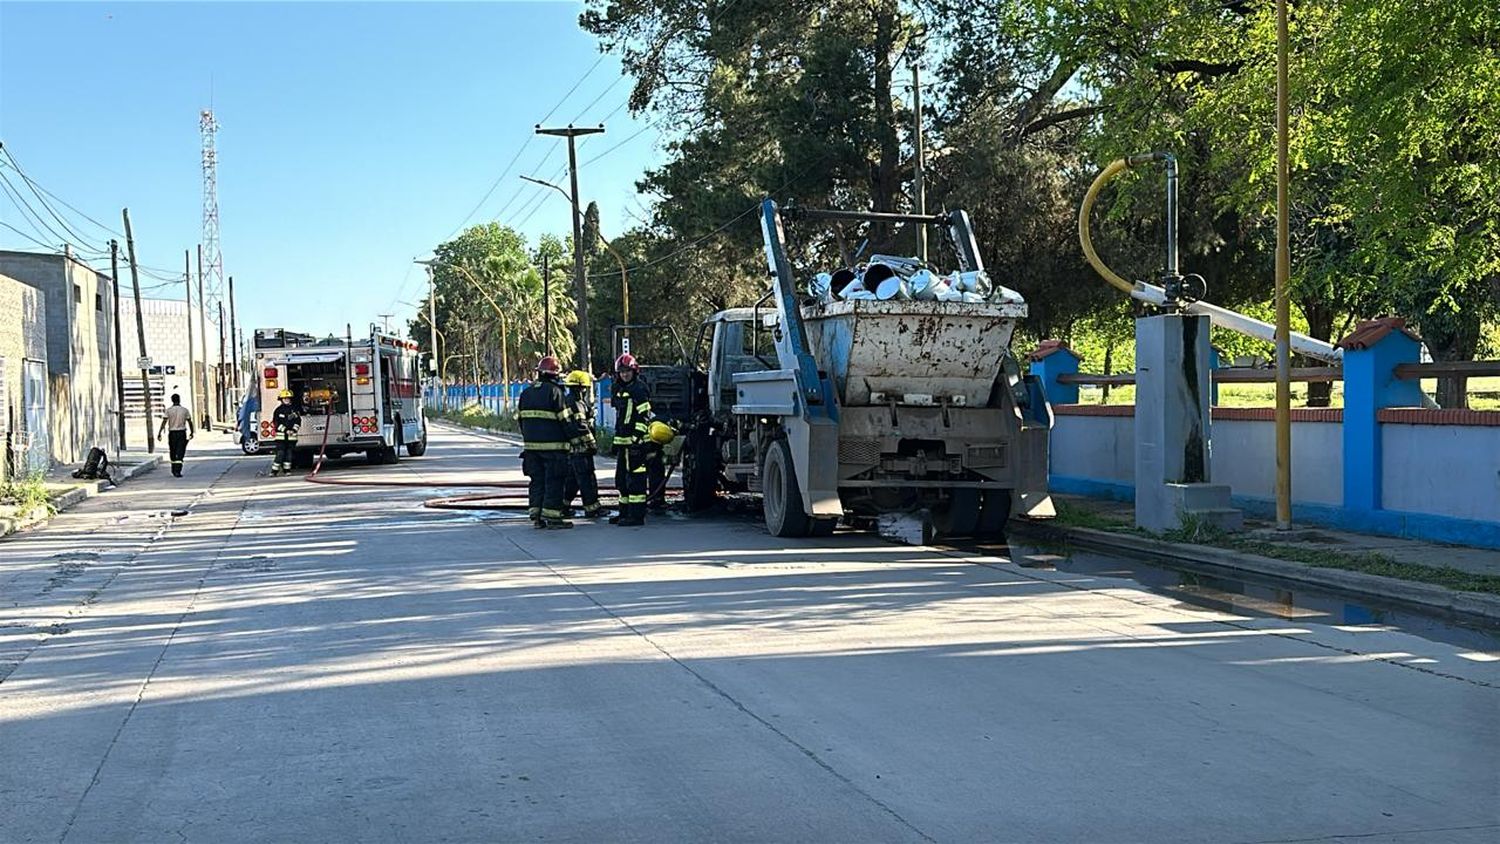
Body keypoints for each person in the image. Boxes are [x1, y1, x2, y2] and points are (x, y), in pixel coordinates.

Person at [518, 355, 587, 530]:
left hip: (531, 449)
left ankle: (536, 516)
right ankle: (553, 518)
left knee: (537, 481)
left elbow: (521, 421)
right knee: (554, 481)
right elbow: (566, 420)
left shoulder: (526, 393)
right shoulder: (556, 392)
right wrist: (576, 440)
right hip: (554, 449)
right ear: (555, 375)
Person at [610, 352, 654, 526]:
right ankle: (624, 513)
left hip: (636, 445)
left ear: (634, 371)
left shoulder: (639, 389)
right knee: (621, 480)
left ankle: (636, 516)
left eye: (627, 371)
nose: (624, 374)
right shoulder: (619, 390)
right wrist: (616, 442)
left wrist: (636, 439)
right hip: (624, 443)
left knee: (635, 481)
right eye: (621, 372)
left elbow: (644, 416)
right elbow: (621, 418)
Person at [560, 369, 608, 519]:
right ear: (581, 388)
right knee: (587, 479)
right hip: (581, 449)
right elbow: (581, 426)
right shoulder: (577, 404)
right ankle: (592, 508)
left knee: (572, 480)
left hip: (571, 450)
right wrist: (592, 443)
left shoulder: (568, 401)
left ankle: (563, 506)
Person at [156, 393, 195, 478]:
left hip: (172, 433)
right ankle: (178, 470)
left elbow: (164, 422)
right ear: (179, 400)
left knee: (173, 451)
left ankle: (174, 469)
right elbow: (189, 422)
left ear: (172, 400)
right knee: (180, 452)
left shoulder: (169, 410)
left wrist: (160, 432)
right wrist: (192, 432)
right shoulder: (185, 410)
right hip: (181, 433)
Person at [269, 389, 301, 476]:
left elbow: (298, 422)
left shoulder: (294, 410)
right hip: (281, 437)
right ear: (281, 400)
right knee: (280, 453)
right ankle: (274, 471)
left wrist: (293, 430)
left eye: (288, 398)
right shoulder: (278, 411)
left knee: (289, 454)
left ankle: (287, 470)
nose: (286, 400)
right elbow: (276, 423)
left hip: (291, 437)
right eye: (285, 398)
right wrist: (285, 430)